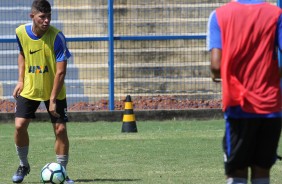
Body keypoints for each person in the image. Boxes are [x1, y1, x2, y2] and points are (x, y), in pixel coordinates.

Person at [207, 0, 282, 184]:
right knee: (262, 170)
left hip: (238, 106)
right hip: (270, 106)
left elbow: (216, 65)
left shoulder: (219, 15)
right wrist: (270, 76)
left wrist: (220, 74)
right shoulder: (276, 15)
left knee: (237, 172)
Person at [12, 0, 74, 183]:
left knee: (60, 129)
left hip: (54, 90)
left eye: (49, 16)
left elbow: (61, 71)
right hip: (30, 88)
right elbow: (23, 53)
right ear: (32, 16)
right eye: (42, 17)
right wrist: (20, 80)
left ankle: (62, 171)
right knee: (19, 126)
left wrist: (53, 98)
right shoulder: (20, 32)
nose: (46, 21)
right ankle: (24, 165)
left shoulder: (57, 37)